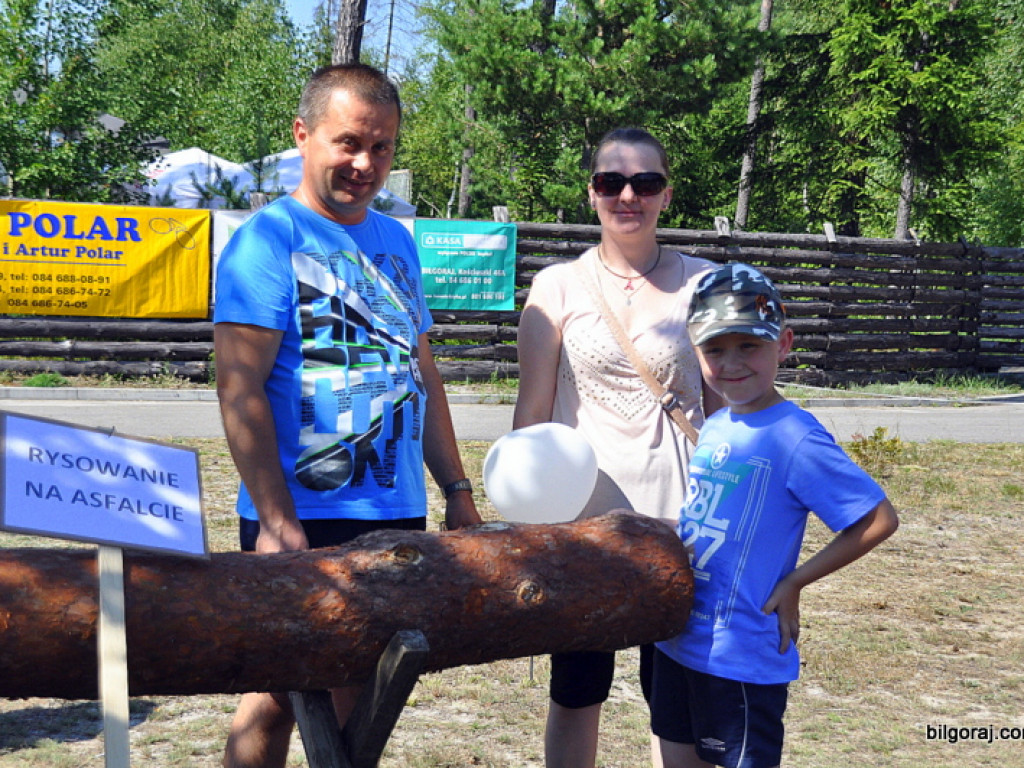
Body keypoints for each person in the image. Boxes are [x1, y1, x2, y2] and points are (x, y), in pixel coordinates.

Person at [213, 63, 481, 768]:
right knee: (280, 692)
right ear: (303, 135)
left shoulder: (397, 241)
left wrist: (456, 489)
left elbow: (421, 374)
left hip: (392, 510)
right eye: (349, 142)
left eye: (383, 147)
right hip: (300, 514)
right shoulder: (265, 243)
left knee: (357, 692)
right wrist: (276, 521)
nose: (366, 163)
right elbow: (238, 390)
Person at [514, 127, 723, 768]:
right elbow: (533, 414)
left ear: (666, 195)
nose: (627, 195)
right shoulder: (556, 288)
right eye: (612, 182)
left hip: (681, 518)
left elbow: (724, 411)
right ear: (592, 193)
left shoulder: (706, 282)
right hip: (585, 525)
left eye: (645, 182)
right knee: (578, 688)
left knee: (677, 694)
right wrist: (525, 525)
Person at [650, 263, 900, 768]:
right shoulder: (716, 426)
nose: (732, 363)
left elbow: (877, 519)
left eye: (750, 346)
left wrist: (795, 581)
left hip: (741, 656)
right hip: (677, 642)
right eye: (714, 349)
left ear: (783, 344)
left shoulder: (796, 437)